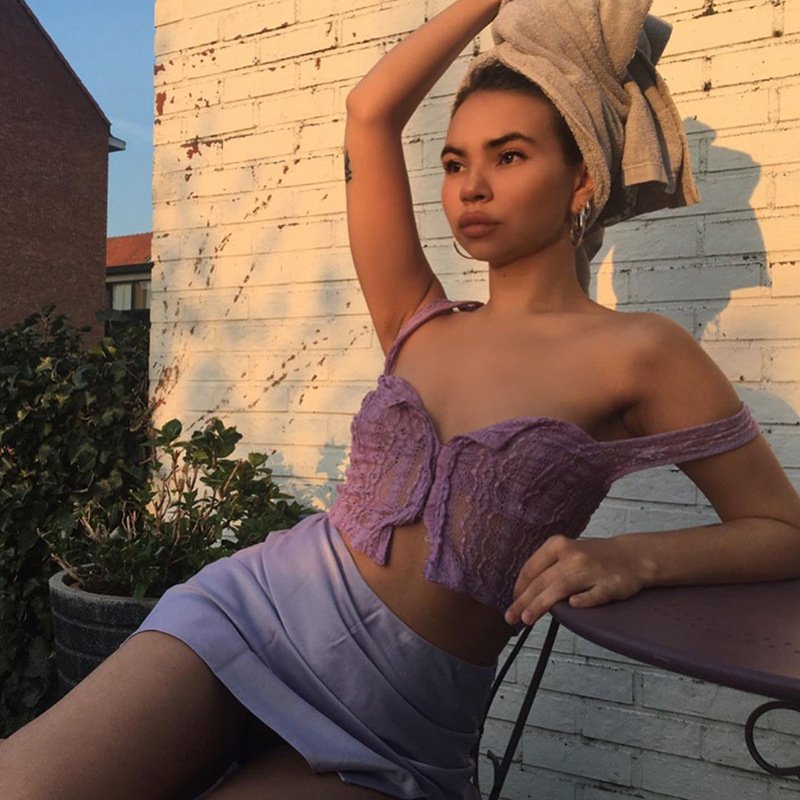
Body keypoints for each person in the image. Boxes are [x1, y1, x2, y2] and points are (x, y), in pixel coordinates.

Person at [3, 0, 800, 798]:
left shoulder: (642, 353)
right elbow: (370, 113)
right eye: (454, 164)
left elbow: (781, 531)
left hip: (397, 724)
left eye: (509, 156)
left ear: (582, 177)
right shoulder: (416, 316)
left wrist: (631, 557)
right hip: (254, 614)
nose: (472, 186)